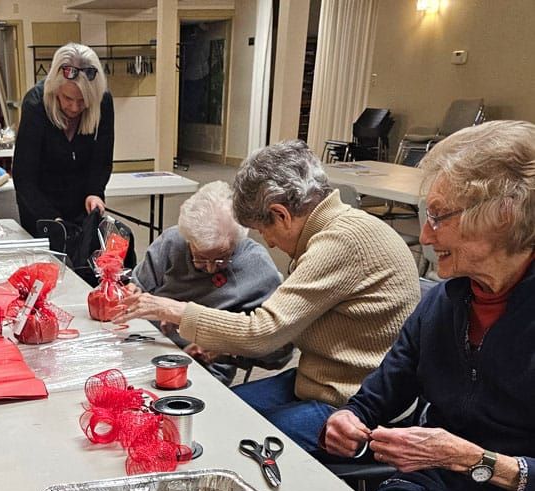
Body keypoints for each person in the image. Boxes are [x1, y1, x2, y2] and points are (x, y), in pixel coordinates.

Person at [322, 120, 535, 491]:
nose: (423, 234)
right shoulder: (442, 302)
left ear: (503, 215)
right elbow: (384, 390)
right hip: (430, 487)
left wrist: (474, 460)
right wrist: (351, 418)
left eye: (440, 217)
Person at [114, 141, 421, 450]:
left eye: (264, 231)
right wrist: (226, 349)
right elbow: (287, 329)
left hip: (351, 405)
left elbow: (264, 332)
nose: (269, 244)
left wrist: (175, 311)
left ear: (281, 214)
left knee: (220, 435)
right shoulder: (339, 229)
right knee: (215, 408)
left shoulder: (340, 243)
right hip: (319, 380)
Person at [130, 180, 282, 383]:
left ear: (237, 241)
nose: (210, 268)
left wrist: (224, 350)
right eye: (200, 258)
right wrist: (129, 294)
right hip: (149, 342)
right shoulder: (172, 241)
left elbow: (278, 352)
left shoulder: (258, 267)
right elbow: (136, 289)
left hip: (204, 367)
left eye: (221, 259)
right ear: (187, 240)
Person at [13, 43, 114, 238]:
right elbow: (24, 176)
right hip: (39, 208)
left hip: (82, 206)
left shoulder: (103, 102)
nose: (75, 107)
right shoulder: (36, 104)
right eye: (68, 98)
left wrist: (95, 192)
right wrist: (51, 219)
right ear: (55, 87)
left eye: (83, 100)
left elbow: (102, 158)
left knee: (85, 263)